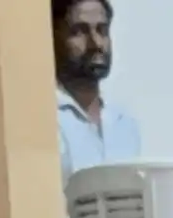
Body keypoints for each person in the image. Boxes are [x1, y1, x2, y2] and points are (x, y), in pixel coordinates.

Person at [53, 0, 141, 176]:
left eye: (102, 30)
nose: (96, 43)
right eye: (79, 31)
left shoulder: (124, 123)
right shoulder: (45, 118)